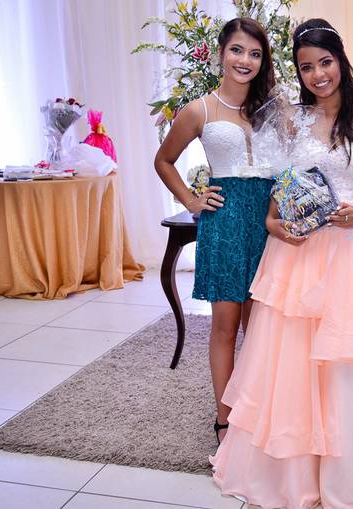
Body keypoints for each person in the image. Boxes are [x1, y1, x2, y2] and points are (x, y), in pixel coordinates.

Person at [210, 18, 353, 508]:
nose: (318, 75)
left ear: (341, 60)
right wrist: (272, 222)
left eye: (325, 63)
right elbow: (282, 183)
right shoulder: (292, 120)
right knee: (290, 356)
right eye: (306, 67)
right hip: (299, 253)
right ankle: (290, 468)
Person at [154, 17, 277, 444]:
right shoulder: (199, 109)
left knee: (261, 329)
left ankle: (259, 412)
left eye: (255, 54)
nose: (245, 60)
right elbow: (163, 160)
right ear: (221, 53)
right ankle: (224, 419)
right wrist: (191, 200)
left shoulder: (272, 110)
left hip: (268, 223)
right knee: (225, 325)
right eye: (237, 50)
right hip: (225, 223)